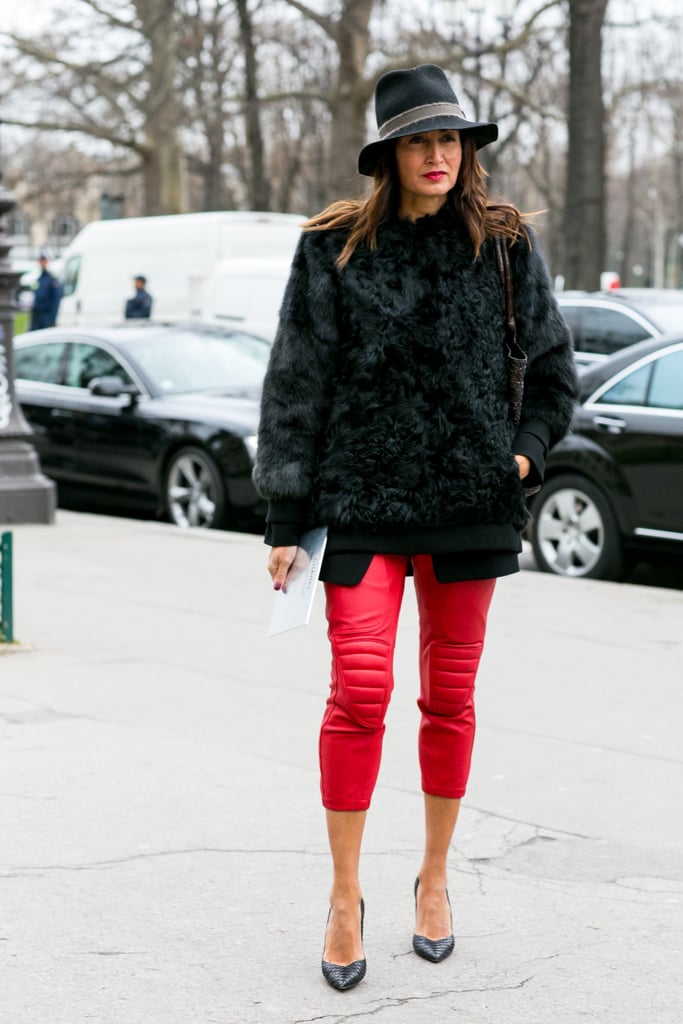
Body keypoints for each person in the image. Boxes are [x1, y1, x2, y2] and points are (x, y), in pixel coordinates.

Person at [253, 64, 577, 991]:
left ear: (466, 149)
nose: (437, 155)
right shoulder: (332, 250)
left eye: (450, 139)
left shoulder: (506, 245)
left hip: (470, 506)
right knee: (359, 689)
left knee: (451, 691)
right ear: (387, 154)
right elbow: (294, 383)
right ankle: (344, 894)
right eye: (417, 140)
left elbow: (553, 375)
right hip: (357, 502)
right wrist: (284, 512)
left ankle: (434, 877)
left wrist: (519, 456)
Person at [30, 255, 62, 330]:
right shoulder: (39, 279)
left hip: (46, 317)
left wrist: (51, 319)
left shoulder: (52, 280)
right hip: (37, 318)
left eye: (43, 261)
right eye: (40, 261)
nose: (42, 263)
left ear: (46, 262)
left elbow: (56, 300)